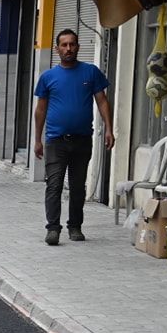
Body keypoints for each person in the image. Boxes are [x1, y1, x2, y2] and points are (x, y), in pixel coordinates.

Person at [32, 28, 114, 245]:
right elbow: (40, 110)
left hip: (82, 140)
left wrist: (109, 129)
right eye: (64, 45)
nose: (68, 49)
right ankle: (53, 229)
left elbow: (102, 101)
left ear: (78, 47)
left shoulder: (90, 72)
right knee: (54, 184)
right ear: (58, 49)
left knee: (78, 186)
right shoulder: (48, 77)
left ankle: (75, 226)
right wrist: (37, 139)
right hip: (56, 140)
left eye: (72, 44)